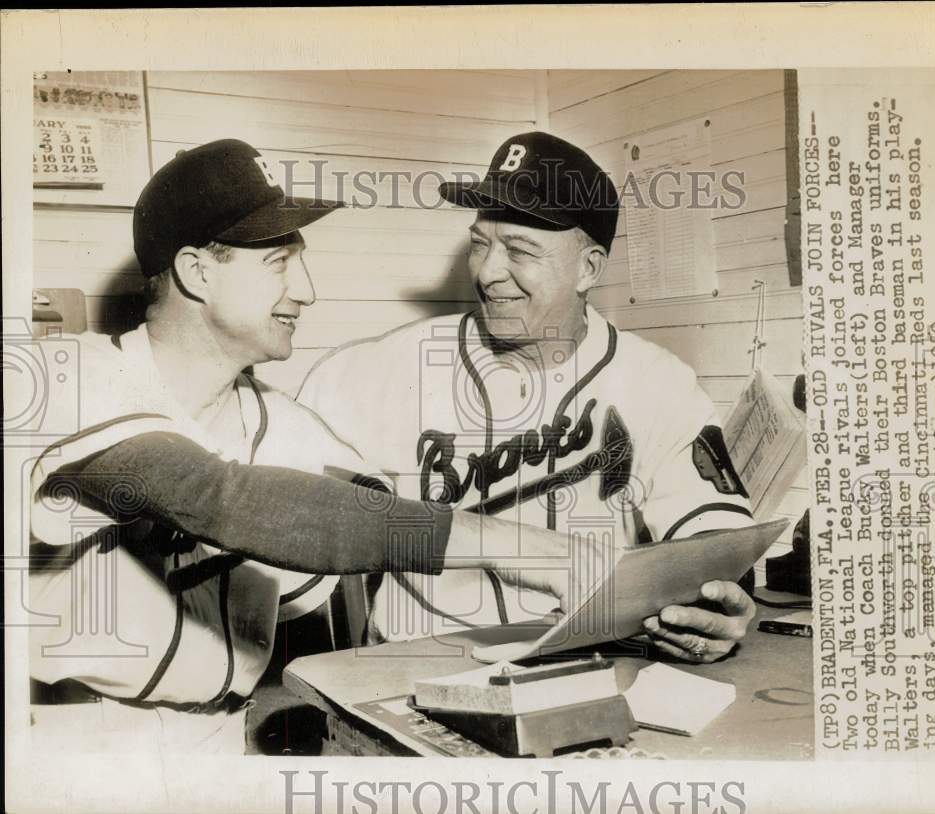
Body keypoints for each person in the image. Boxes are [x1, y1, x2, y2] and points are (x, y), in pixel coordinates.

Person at [27, 138, 599, 754]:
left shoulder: (283, 422)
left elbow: (375, 516)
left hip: (220, 736)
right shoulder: (66, 378)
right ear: (197, 272)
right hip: (78, 740)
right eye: (279, 262)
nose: (307, 290)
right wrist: (533, 551)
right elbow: (219, 497)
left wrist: (624, 588)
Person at [298, 131, 757, 663]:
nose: (488, 273)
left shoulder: (657, 383)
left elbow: (715, 538)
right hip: (415, 661)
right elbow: (279, 505)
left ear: (588, 268)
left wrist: (714, 609)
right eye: (480, 244)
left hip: (595, 659)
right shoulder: (378, 369)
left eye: (519, 250)